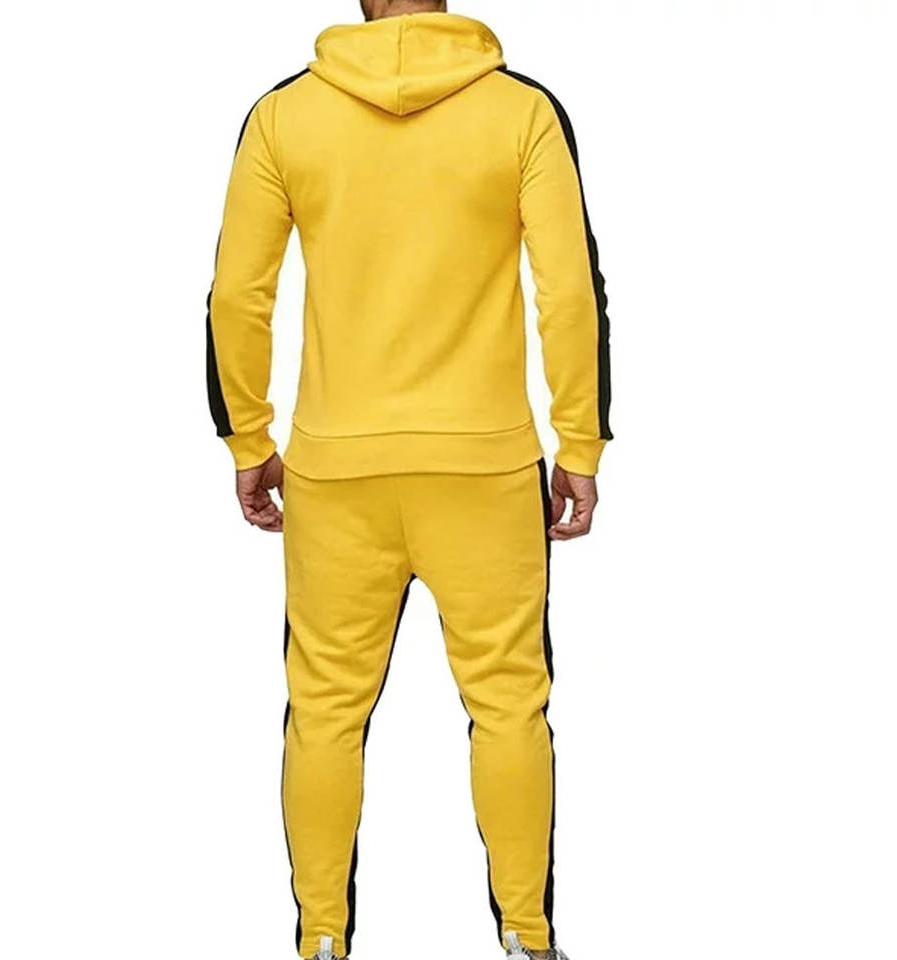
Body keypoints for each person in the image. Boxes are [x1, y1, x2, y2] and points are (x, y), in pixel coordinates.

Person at [206, 0, 612, 957]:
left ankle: (320, 938)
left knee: (324, 711)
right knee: (508, 705)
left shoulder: (285, 116)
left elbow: (237, 295)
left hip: (336, 469)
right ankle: (528, 937)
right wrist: (580, 445)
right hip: (485, 468)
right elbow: (569, 291)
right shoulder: (520, 112)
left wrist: (248, 439)